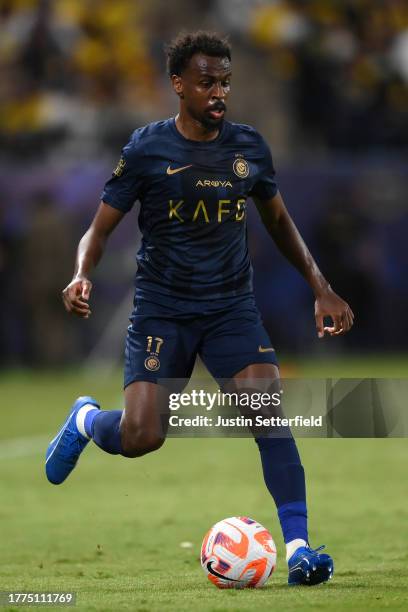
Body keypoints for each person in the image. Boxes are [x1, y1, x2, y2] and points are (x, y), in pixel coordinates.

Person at [45, 31, 354, 586]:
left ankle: (301, 548)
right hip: (162, 312)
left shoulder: (248, 148)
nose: (220, 93)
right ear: (178, 86)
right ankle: (88, 421)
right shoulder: (146, 149)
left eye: (226, 82)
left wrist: (320, 286)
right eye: (208, 82)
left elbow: (279, 222)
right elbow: (98, 229)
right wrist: (80, 274)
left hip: (230, 308)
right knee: (143, 437)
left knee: (266, 415)